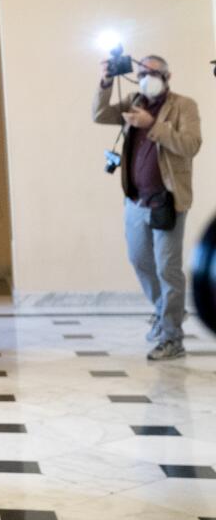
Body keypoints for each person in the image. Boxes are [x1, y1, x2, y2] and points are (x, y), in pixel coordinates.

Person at [93, 54, 201, 359]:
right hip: (135, 199)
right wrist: (105, 81)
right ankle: (165, 311)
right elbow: (100, 114)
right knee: (140, 260)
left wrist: (152, 124)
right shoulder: (133, 100)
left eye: (152, 72)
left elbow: (191, 145)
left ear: (168, 75)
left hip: (168, 199)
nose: (146, 77)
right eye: (141, 72)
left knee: (168, 268)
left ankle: (172, 338)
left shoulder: (184, 105)